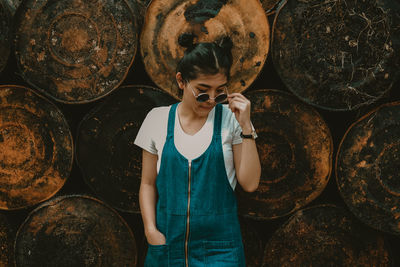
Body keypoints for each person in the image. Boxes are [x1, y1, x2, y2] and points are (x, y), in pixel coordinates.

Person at [134, 35, 261, 267]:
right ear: (181, 81)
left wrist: (245, 126)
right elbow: (148, 183)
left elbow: (250, 183)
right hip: (167, 247)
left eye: (220, 92)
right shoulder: (157, 120)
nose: (212, 100)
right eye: (203, 91)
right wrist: (151, 231)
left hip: (221, 251)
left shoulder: (231, 122)